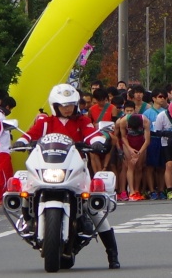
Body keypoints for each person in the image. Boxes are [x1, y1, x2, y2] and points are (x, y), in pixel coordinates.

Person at [13, 84, 120, 269]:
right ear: (55, 106)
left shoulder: (82, 121)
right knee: (25, 188)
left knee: (95, 208)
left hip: (75, 169)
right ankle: (28, 219)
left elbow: (91, 135)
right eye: (63, 105)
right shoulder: (45, 122)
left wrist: (98, 142)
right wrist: (21, 141)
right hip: (47, 168)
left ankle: (112, 254)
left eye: (71, 104)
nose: (68, 108)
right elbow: (31, 135)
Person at [118, 101, 150, 202]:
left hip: (141, 143)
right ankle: (131, 191)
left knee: (139, 167)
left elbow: (147, 140)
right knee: (130, 165)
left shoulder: (145, 120)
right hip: (129, 143)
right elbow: (123, 137)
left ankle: (137, 190)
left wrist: (139, 153)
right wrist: (130, 149)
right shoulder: (123, 121)